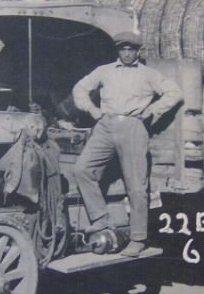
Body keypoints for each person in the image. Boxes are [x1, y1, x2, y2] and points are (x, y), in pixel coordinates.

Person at [72, 32, 183, 257]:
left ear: (138, 51)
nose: (127, 53)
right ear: (118, 50)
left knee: (136, 186)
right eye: (123, 49)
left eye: (131, 49)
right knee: (82, 169)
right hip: (105, 125)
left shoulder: (148, 74)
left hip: (134, 127)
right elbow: (79, 89)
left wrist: (153, 110)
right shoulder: (104, 71)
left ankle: (138, 239)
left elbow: (175, 93)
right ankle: (101, 219)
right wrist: (92, 109)